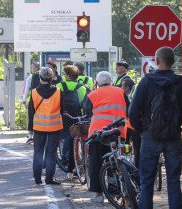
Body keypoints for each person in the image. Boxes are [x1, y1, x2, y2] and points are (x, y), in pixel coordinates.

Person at [129, 47, 182, 209]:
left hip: (150, 137)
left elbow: (133, 112)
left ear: (156, 61)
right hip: (174, 136)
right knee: (174, 181)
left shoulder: (146, 82)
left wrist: (144, 130)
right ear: (173, 62)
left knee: (146, 182)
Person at [84, 71, 129, 203]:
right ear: (110, 81)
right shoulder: (120, 92)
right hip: (118, 131)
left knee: (96, 163)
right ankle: (115, 192)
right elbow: (129, 108)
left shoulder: (92, 95)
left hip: (98, 133)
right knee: (116, 162)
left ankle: (98, 194)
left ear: (97, 82)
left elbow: (87, 112)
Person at [28, 67, 64, 185]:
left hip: (39, 127)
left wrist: (30, 131)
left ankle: (37, 178)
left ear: (40, 78)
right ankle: (49, 179)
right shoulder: (58, 92)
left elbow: (31, 112)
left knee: (38, 152)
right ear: (52, 78)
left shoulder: (33, 92)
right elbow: (62, 109)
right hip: (55, 127)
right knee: (51, 153)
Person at [57, 65, 87, 179]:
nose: (64, 76)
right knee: (75, 141)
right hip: (76, 118)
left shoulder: (59, 86)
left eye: (65, 74)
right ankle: (73, 167)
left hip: (62, 118)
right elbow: (84, 105)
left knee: (64, 140)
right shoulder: (82, 88)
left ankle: (65, 164)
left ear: (68, 75)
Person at [122, 78, 141, 168]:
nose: (121, 87)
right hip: (131, 124)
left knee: (133, 147)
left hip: (131, 125)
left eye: (122, 85)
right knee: (135, 148)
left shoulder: (129, 95)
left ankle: (133, 167)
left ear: (127, 87)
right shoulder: (133, 92)